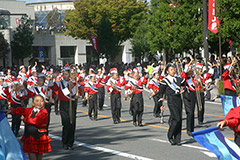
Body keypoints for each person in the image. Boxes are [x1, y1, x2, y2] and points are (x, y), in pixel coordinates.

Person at [10, 95, 52, 160]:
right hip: (30, 135)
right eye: (37, 101)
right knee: (31, 152)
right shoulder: (30, 110)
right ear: (33, 103)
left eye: (41, 101)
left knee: (39, 153)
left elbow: (35, 121)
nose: (39, 103)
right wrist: (11, 110)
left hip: (39, 135)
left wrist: (25, 119)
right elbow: (21, 110)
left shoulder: (44, 112)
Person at [50, 64, 79, 150]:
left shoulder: (74, 83)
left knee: (72, 123)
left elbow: (77, 93)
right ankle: (65, 142)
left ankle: (70, 143)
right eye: (64, 74)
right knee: (66, 123)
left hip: (72, 104)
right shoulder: (59, 83)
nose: (66, 76)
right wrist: (52, 77)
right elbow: (51, 86)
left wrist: (73, 89)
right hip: (63, 104)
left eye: (67, 74)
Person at [159, 63, 185, 145]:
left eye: (174, 69)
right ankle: (170, 135)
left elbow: (185, 85)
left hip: (178, 100)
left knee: (179, 119)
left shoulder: (178, 79)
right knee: (176, 118)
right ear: (167, 71)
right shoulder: (164, 81)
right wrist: (161, 105)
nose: (173, 71)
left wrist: (183, 89)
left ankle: (177, 139)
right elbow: (161, 94)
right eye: (171, 69)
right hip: (171, 101)